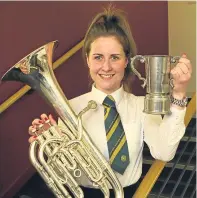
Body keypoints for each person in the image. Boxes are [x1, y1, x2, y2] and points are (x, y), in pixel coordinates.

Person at [27, 6, 192, 198]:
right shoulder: (70, 109)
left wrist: (179, 94)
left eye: (115, 57)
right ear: (88, 60)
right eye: (98, 57)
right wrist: (51, 147)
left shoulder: (142, 106)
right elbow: (66, 174)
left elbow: (164, 153)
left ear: (126, 61)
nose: (106, 67)